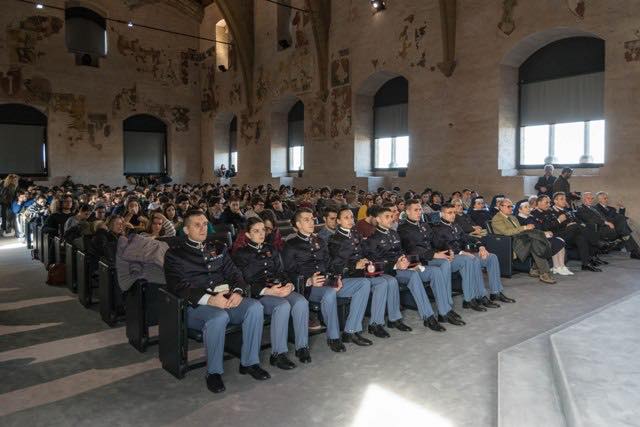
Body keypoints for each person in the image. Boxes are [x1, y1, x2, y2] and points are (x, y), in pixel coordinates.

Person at [164, 210, 269, 394]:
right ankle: (214, 372)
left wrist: (237, 291)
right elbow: (178, 287)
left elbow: (235, 274)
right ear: (186, 230)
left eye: (205, 224)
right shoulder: (175, 255)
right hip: (195, 307)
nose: (203, 228)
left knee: (255, 307)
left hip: (226, 300)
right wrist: (211, 299)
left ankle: (250, 362)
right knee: (218, 317)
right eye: (197, 225)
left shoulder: (219, 247)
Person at [282, 208, 373, 352]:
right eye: (306, 220)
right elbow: (287, 272)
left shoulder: (320, 241)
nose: (311, 222)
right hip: (308, 288)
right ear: (298, 224)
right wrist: (309, 280)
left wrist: (336, 277)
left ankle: (351, 331)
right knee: (329, 292)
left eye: (312, 218)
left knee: (364, 283)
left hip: (328, 282)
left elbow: (330, 264)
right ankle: (334, 337)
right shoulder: (291, 244)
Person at [232, 217, 311, 369]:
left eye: (263, 230)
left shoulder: (271, 249)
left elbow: (281, 271)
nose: (261, 233)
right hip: (259, 294)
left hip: (278, 288)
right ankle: (278, 354)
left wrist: (288, 284)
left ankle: (302, 346)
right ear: (247, 235)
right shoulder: (241, 254)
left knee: (301, 301)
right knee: (281, 306)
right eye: (256, 231)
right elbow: (245, 282)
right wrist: (268, 291)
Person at [328, 206, 412, 338]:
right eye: (346, 217)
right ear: (338, 221)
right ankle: (372, 325)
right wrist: (355, 265)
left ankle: (387, 320)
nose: (350, 220)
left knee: (390, 280)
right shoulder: (335, 239)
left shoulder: (356, 234)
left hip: (362, 272)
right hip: (347, 275)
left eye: (351, 217)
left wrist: (367, 260)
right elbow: (335, 264)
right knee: (382, 283)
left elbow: (366, 252)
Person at [363, 206, 447, 331]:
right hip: (387, 271)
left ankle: (442, 312)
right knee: (413, 276)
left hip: (402, 267)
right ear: (378, 219)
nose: (391, 219)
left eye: (391, 216)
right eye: (387, 217)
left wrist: (407, 260)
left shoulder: (394, 234)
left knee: (431, 271)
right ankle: (428, 317)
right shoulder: (372, 239)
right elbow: (375, 262)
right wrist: (396, 265)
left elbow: (401, 252)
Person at [398, 200, 469, 323]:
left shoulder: (424, 225)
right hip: (417, 261)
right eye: (416, 210)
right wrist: (435, 254)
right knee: (439, 268)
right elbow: (412, 248)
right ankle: (445, 308)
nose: (419, 212)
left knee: (446, 262)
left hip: (429, 258)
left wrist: (448, 250)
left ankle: (445, 307)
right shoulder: (403, 229)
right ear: (407, 212)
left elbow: (436, 241)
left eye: (420, 209)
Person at [434, 203, 516, 307]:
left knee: (492, 257)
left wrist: (480, 246)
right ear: (441, 214)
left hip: (464, 254)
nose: (453, 215)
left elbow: (467, 238)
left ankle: (496, 292)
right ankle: (480, 296)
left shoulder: (455, 225)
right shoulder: (437, 228)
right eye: (449, 213)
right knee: (473, 260)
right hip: (450, 257)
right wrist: (462, 252)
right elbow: (441, 245)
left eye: (454, 212)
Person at [490, 199, 556, 284]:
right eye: (508, 206)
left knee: (538, 242)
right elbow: (506, 232)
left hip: (520, 239)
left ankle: (538, 270)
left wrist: (526, 229)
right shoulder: (497, 219)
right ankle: (543, 272)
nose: (511, 208)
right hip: (509, 243)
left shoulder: (513, 217)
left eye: (512, 206)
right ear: (501, 207)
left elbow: (519, 231)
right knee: (538, 243)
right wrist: (524, 227)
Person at [540, 193, 603, 272]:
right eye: (561, 199)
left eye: (565, 199)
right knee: (576, 227)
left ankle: (585, 264)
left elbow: (577, 220)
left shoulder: (567, 210)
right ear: (555, 201)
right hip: (558, 235)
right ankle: (598, 243)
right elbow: (547, 227)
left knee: (581, 238)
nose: (564, 201)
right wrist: (559, 221)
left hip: (572, 233)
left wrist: (578, 224)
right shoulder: (549, 211)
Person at [577, 192, 640, 259]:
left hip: (607, 228)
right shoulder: (581, 209)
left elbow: (604, 217)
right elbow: (590, 220)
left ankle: (635, 251)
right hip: (599, 230)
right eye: (588, 198)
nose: (591, 200)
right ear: (583, 199)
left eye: (592, 198)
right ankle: (635, 251)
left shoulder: (593, 208)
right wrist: (606, 223)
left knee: (622, 223)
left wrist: (611, 221)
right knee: (623, 228)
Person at [515, 200, 571, 275]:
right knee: (557, 242)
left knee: (560, 240)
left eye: (529, 207)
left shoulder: (530, 217)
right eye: (525, 207)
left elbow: (539, 227)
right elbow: (527, 232)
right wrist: (543, 233)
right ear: (519, 209)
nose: (528, 209)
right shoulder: (518, 219)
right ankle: (557, 266)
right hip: (531, 240)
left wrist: (546, 232)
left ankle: (560, 266)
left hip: (539, 236)